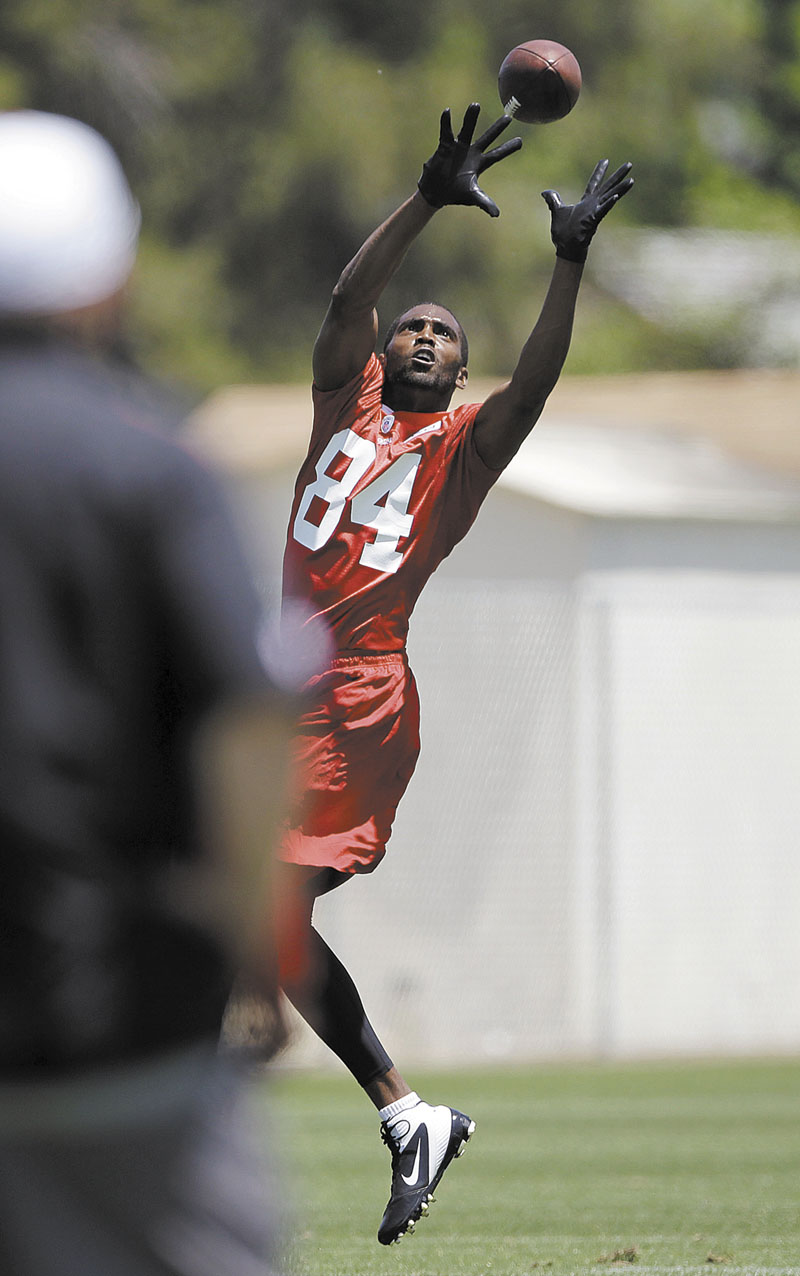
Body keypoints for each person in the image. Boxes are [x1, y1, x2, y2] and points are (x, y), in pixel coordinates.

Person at [276, 102, 634, 1246]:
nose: (424, 335)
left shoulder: (461, 453)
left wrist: (566, 264)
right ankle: (406, 1113)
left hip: (358, 694)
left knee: (237, 911)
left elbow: (530, 390)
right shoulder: (347, 399)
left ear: (459, 369)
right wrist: (426, 197)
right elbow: (344, 301)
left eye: (444, 335)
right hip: (289, 689)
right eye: (412, 326)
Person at [0, 109, 315, 1276]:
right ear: (109, 277)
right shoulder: (146, 465)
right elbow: (242, 725)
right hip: (115, 1033)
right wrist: (255, 952)